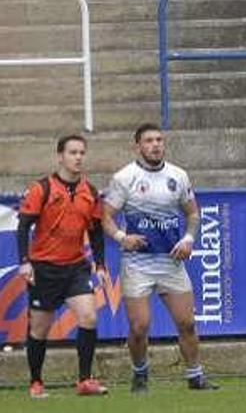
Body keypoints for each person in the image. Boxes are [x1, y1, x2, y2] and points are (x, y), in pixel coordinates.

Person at [102, 123, 218, 393]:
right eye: (149, 141)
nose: (155, 145)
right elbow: (105, 217)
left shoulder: (178, 175)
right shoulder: (124, 177)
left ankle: (195, 377)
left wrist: (189, 239)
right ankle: (140, 374)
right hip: (137, 263)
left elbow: (192, 214)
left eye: (159, 140)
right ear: (138, 146)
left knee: (187, 323)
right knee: (140, 326)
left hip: (170, 262)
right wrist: (122, 237)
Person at [17, 134, 109, 398]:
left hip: (75, 267)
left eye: (82, 152)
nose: (78, 157)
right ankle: (36, 382)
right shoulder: (41, 188)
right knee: (40, 328)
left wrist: (100, 265)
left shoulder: (90, 192)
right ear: (60, 156)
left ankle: (84, 381)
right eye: (72, 152)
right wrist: (25, 262)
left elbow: (96, 232)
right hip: (44, 269)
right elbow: (23, 226)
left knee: (89, 317)